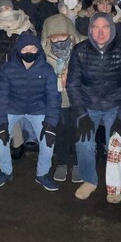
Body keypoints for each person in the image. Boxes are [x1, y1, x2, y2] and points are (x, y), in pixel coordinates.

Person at [67, 12, 121, 200]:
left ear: (112, 29)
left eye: (105, 27)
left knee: (116, 143)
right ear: (90, 30)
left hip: (115, 104)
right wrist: (82, 114)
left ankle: (117, 185)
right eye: (96, 28)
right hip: (88, 104)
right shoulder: (80, 51)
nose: (101, 33)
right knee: (84, 143)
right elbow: (73, 84)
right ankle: (89, 180)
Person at [0, 33, 61, 190]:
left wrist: (50, 124)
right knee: (1, 140)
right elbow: (0, 96)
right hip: (13, 108)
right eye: (25, 49)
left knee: (48, 142)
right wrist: (1, 123)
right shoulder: (7, 70)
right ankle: (6, 172)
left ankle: (42, 174)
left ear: (39, 50)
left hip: (38, 109)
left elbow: (53, 98)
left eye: (33, 48)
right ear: (18, 50)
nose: (29, 52)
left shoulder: (47, 69)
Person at [0, 0, 35, 158]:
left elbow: (25, 50)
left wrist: (5, 54)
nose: (4, 11)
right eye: (1, 9)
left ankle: (18, 144)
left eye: (7, 8)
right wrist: (8, 55)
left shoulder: (24, 27)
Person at [41, 13, 85, 184]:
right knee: (60, 131)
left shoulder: (81, 49)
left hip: (77, 99)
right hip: (56, 101)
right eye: (54, 36)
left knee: (77, 131)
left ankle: (76, 163)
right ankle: (61, 161)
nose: (59, 39)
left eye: (63, 35)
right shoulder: (43, 53)